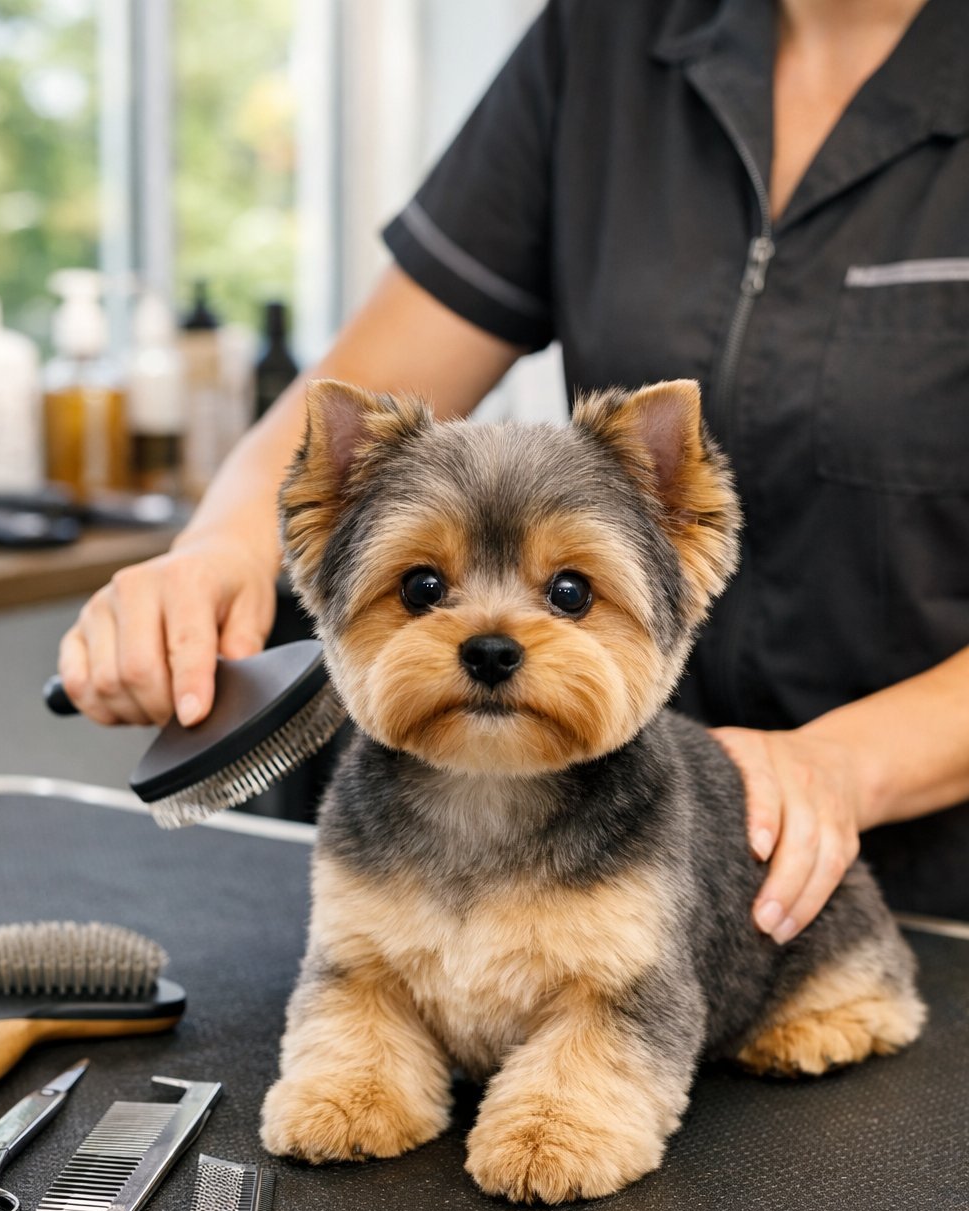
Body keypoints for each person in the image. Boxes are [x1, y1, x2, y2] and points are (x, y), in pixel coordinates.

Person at [59, 0, 969, 929]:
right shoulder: (608, 36)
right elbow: (361, 395)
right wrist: (218, 548)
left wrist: (846, 765)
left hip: (939, 890)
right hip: (574, 877)